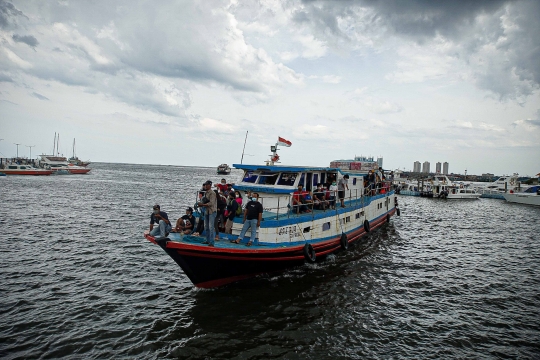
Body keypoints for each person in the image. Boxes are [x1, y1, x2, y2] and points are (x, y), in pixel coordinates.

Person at [197, 180, 217, 246]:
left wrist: (202, 205)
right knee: (206, 227)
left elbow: (211, 203)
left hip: (211, 211)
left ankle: (212, 242)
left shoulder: (212, 193)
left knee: (211, 227)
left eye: (206, 185)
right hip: (206, 211)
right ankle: (208, 240)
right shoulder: (206, 193)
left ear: (210, 185)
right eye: (205, 185)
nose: (205, 186)